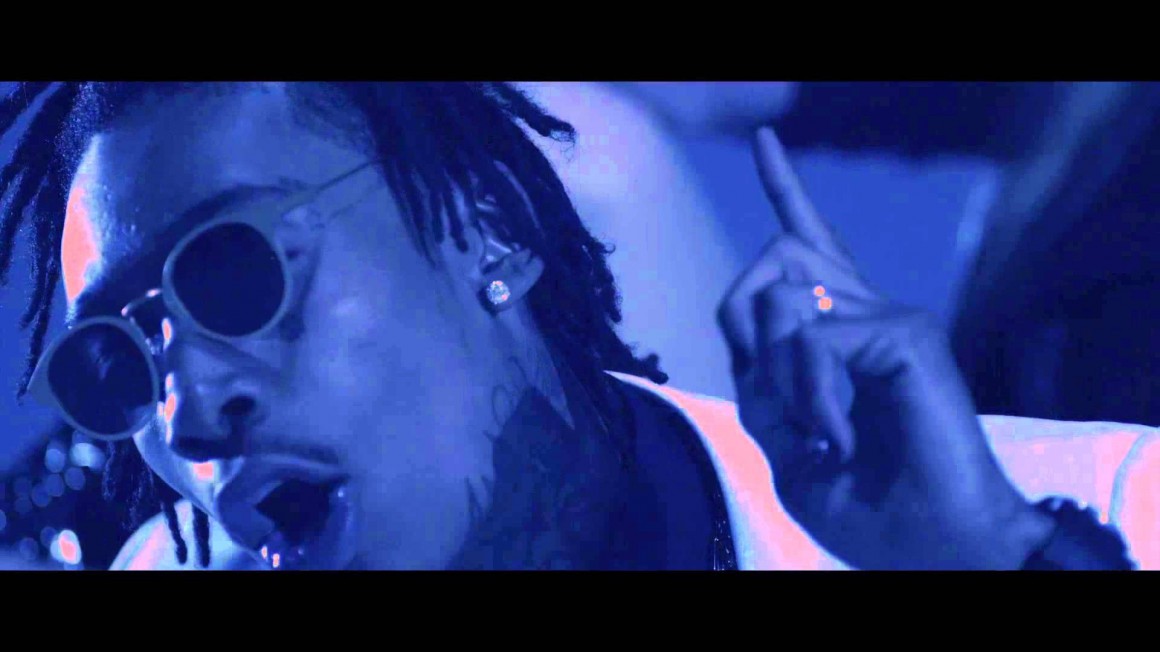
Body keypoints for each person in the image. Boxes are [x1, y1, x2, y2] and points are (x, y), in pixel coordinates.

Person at [0, 82, 1151, 570]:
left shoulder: (1103, 511)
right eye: (116, 364)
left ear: (488, 231)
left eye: (235, 275)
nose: (190, 413)